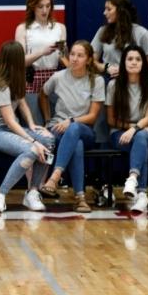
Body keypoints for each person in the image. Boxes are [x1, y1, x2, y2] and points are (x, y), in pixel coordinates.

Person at [0, 41, 55, 213]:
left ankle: (33, 192)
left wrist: (32, 125)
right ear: (15, 61)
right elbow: (10, 121)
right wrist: (32, 139)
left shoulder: (13, 79)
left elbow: (22, 104)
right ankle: (0, 195)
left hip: (9, 129)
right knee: (32, 150)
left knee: (49, 140)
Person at [38, 40, 105, 213]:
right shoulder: (59, 77)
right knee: (77, 145)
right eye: (72, 54)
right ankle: (80, 198)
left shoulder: (96, 81)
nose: (74, 59)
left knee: (75, 130)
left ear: (89, 60)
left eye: (80, 55)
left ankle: (54, 177)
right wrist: (47, 119)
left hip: (85, 130)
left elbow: (92, 116)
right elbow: (43, 95)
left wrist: (72, 121)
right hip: (58, 129)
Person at [105, 45, 148, 213]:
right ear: (123, 63)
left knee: (141, 138)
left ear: (144, 63)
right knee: (141, 140)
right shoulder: (114, 85)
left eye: (138, 59)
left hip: (143, 130)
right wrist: (131, 128)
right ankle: (142, 194)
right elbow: (111, 119)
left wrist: (135, 129)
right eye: (130, 59)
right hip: (119, 133)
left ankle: (133, 178)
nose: (134, 62)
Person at [15, 0, 67, 101]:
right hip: (31, 78)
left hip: (55, 77)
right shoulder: (23, 29)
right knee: (33, 117)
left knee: (54, 116)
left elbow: (63, 58)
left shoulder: (60, 28)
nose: (45, 10)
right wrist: (42, 52)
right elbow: (20, 62)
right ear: (32, 7)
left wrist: (67, 59)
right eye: (40, 6)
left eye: (48, 6)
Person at [92, 0, 148, 77]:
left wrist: (128, 70)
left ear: (121, 11)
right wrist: (106, 67)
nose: (104, 13)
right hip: (109, 80)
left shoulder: (142, 32)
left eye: (109, 9)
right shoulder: (102, 31)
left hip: (134, 81)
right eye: (105, 9)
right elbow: (91, 61)